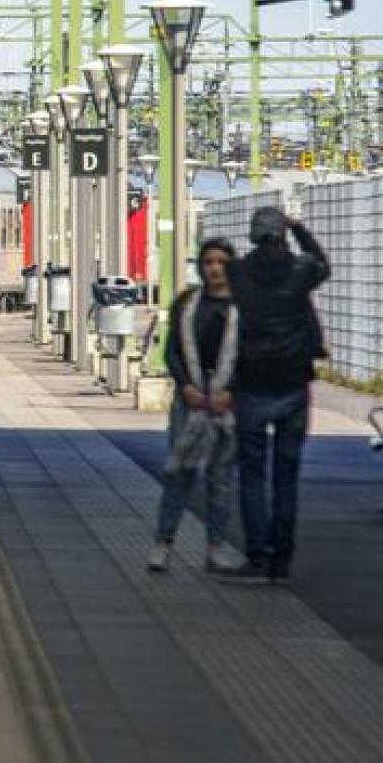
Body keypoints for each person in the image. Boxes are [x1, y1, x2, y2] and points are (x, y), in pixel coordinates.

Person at [217, 205, 330, 585]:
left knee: (251, 473)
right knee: (286, 476)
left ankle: (257, 556)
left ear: (252, 234)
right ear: (282, 234)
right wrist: (299, 228)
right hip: (294, 384)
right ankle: (282, 562)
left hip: (251, 384)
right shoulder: (300, 273)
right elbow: (321, 263)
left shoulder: (237, 273)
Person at [149, 239, 241, 574]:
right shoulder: (187, 304)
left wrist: (232, 391)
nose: (215, 268)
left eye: (221, 262)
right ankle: (163, 541)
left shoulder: (243, 307)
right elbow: (172, 349)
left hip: (227, 400)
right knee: (179, 470)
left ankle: (215, 547)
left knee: (220, 477)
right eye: (209, 262)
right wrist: (185, 385)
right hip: (189, 397)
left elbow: (249, 354)